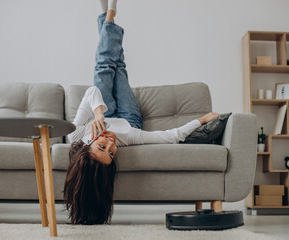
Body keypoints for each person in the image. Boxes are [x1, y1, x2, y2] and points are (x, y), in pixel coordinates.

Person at [63, 0, 220, 225]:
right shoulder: (129, 136)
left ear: (87, 146)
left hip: (103, 109)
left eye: (101, 146)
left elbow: (92, 92)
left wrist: (98, 115)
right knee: (119, 66)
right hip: (129, 117)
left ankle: (109, 15)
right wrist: (202, 119)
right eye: (111, 152)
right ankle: (107, 17)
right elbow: (171, 136)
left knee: (104, 66)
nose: (111, 143)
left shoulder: (75, 136)